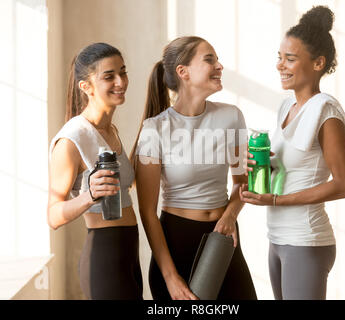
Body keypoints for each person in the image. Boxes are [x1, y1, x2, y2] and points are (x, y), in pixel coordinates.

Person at [240, 6, 345, 300]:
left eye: (290, 59)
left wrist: (276, 199)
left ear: (318, 63)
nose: (280, 65)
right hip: (277, 237)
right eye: (279, 58)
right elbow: (290, 169)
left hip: (306, 240)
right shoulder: (285, 107)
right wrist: (256, 165)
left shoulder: (326, 111)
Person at [131, 36, 257, 300]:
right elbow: (147, 211)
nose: (219, 66)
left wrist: (230, 215)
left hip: (224, 237)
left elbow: (241, 181)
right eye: (209, 59)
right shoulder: (155, 129)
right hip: (177, 244)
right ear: (183, 72)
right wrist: (171, 278)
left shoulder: (231, 116)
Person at [47, 43, 142, 300]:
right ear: (86, 87)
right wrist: (89, 195)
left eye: (123, 72)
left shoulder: (110, 130)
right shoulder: (72, 139)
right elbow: (53, 216)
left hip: (129, 252)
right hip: (104, 257)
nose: (121, 81)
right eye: (109, 76)